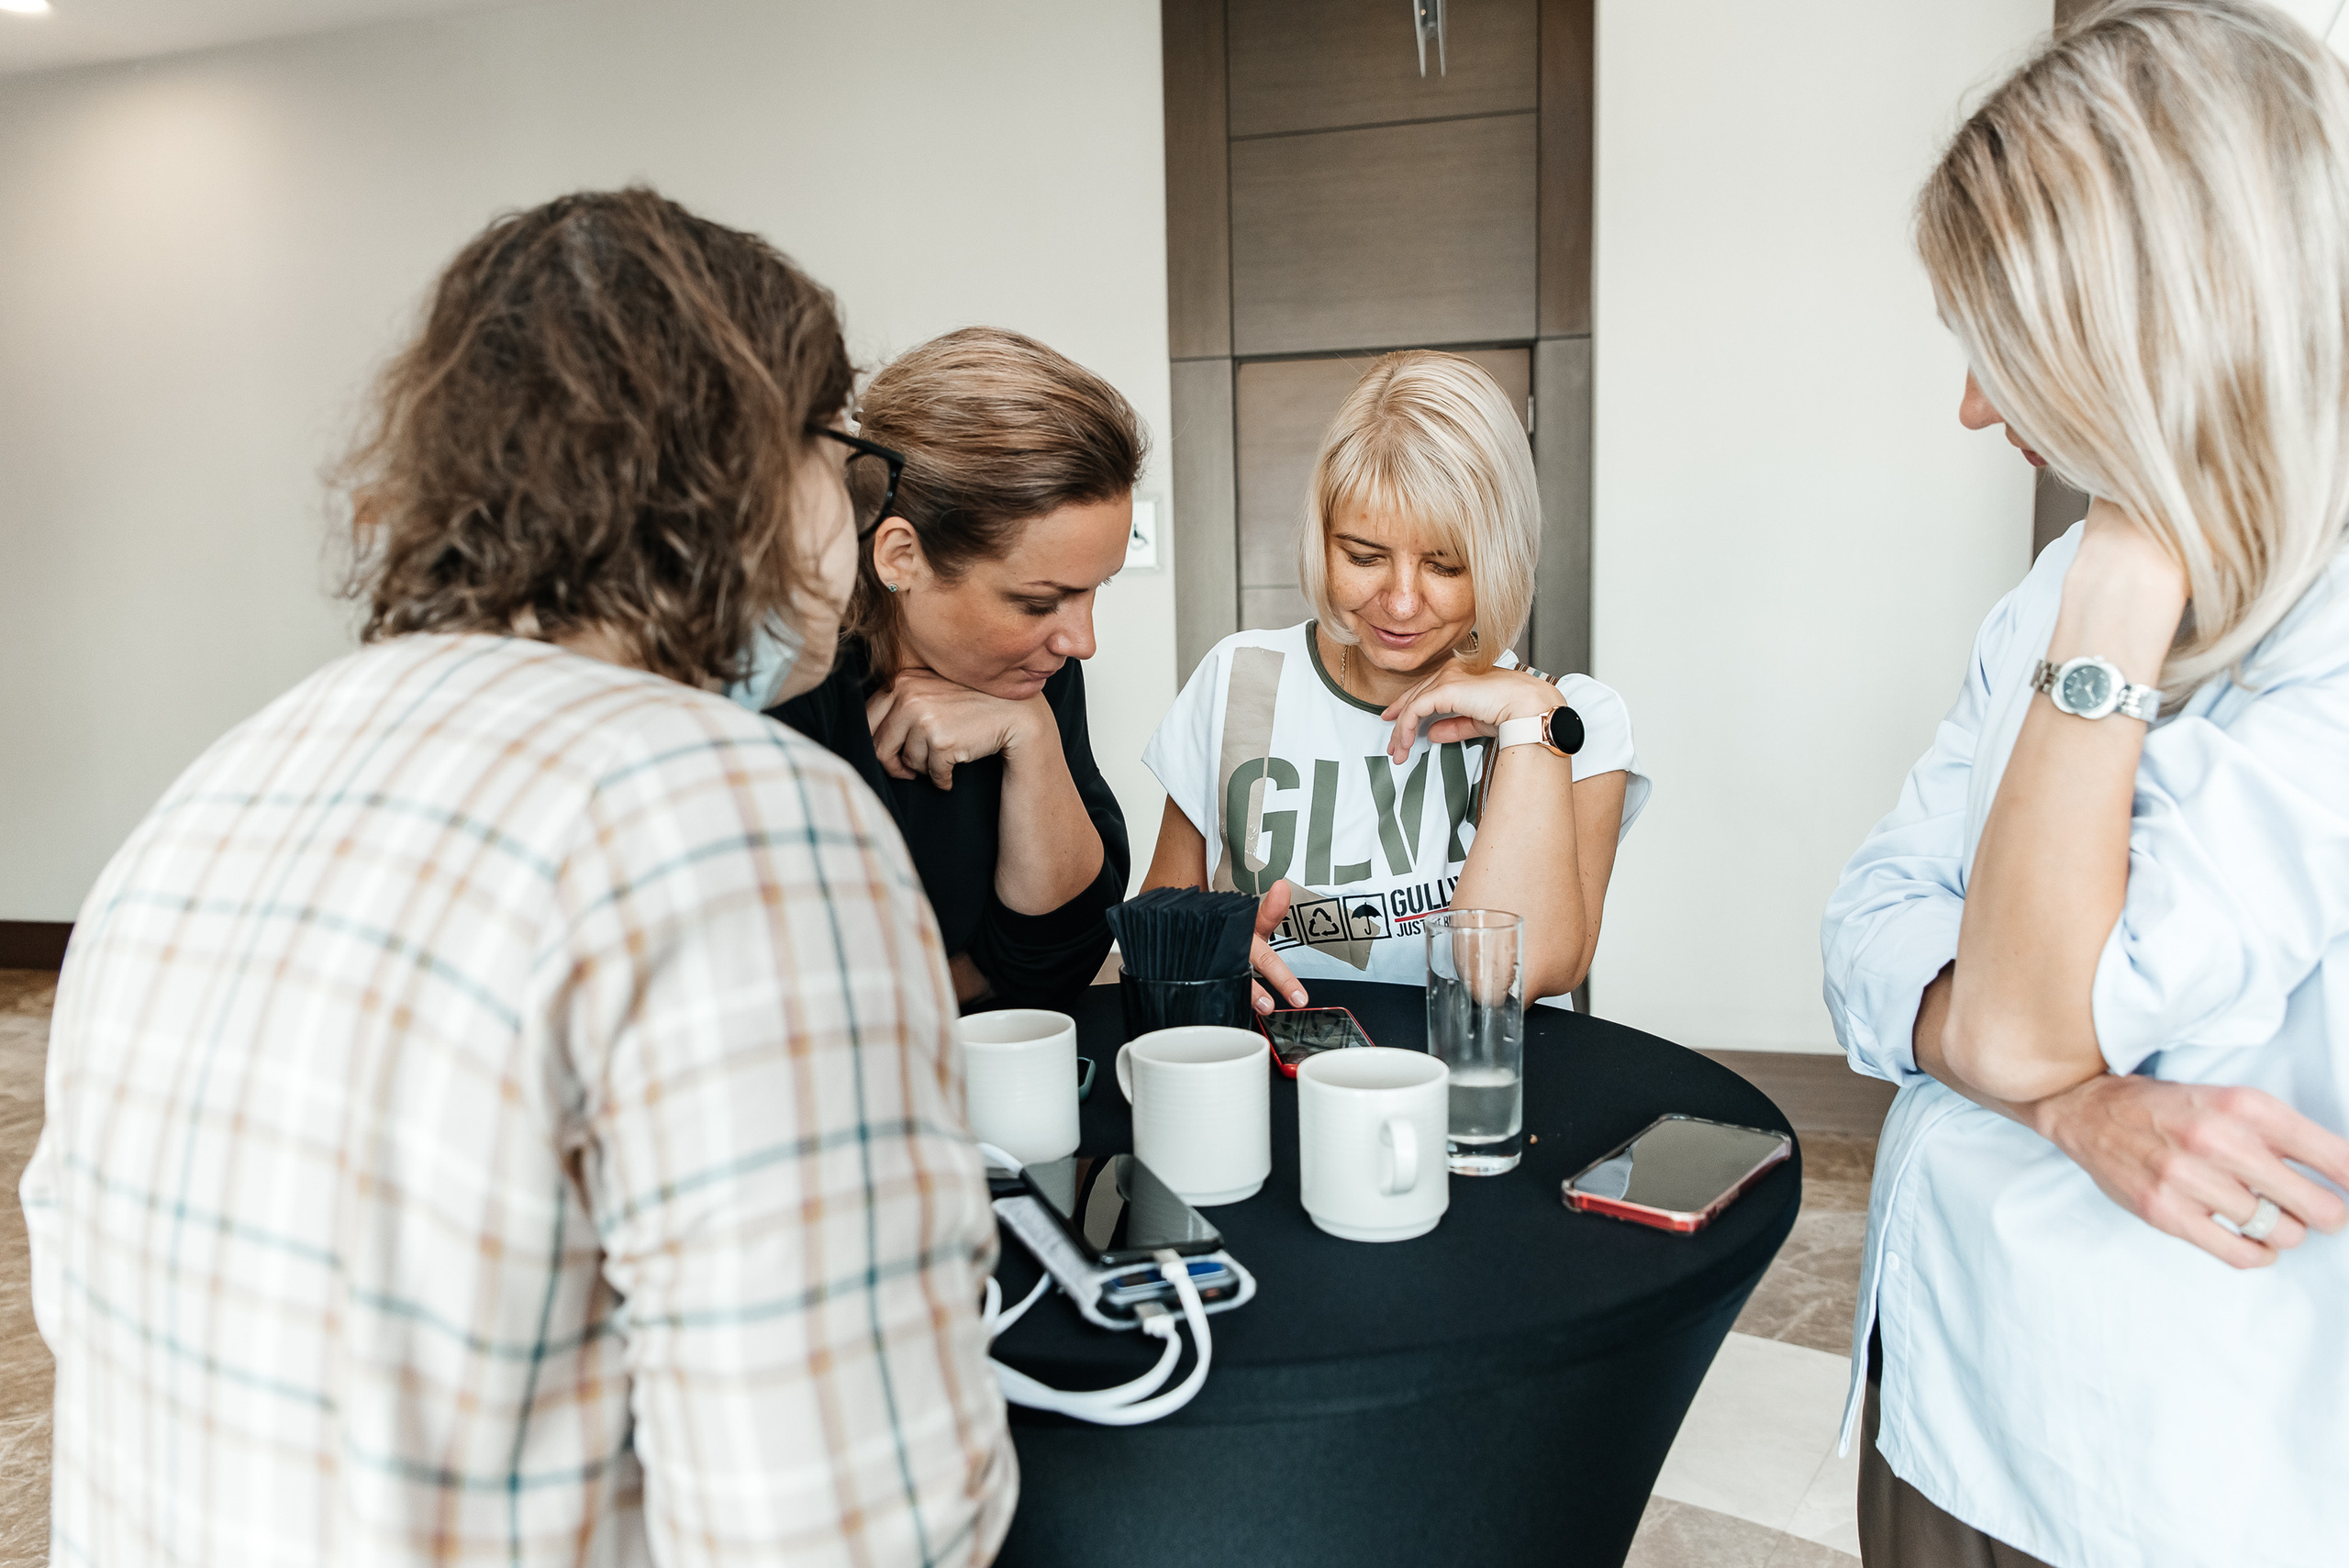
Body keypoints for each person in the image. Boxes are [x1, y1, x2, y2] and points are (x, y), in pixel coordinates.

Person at [19, 189, 1015, 1564]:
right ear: (747, 468)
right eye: (837, 460)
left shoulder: (202, 801)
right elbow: (847, 1528)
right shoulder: (735, 810)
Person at [1822, 5, 2349, 1563]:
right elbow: (1866, 929)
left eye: (2001, 348)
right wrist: (2072, 1101)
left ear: (2146, 330)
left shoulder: (2217, 602)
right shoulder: (2046, 581)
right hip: (1938, 1376)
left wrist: (2124, 576)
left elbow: (2018, 1011)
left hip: (2159, 1470)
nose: (1978, 408)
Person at [1141, 350, 1649, 1009]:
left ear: (1502, 557)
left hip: (1473, 1095)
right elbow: (1158, 927)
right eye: (1364, 556)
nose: (1402, 602)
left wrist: (1528, 719)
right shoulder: (1237, 678)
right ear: (1321, 541)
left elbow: (1507, 976)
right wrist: (1212, 944)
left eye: (1445, 565)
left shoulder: (1571, 719)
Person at [771, 327, 1137, 1011]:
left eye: (1096, 589)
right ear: (900, 556)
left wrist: (1031, 733)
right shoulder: (789, 687)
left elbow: (1072, 950)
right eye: (1038, 601)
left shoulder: (1038, 669)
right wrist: (977, 975)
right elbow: (807, 994)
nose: (1081, 641)